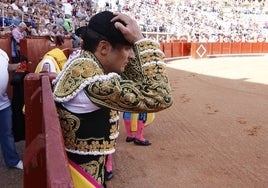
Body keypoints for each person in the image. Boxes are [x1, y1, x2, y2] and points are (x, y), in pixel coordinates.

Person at [52, 10, 173, 187]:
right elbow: (160, 96)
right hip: (83, 181)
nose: (132, 55)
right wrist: (140, 41)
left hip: (82, 172)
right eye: (127, 48)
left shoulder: (83, 61)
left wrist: (129, 46)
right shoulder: (95, 84)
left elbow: (134, 80)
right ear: (103, 48)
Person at [0, 48, 23, 170]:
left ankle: (13, 160)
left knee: (7, 133)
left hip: (3, 103)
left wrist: (17, 66)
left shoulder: (2, 53)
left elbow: (6, 67)